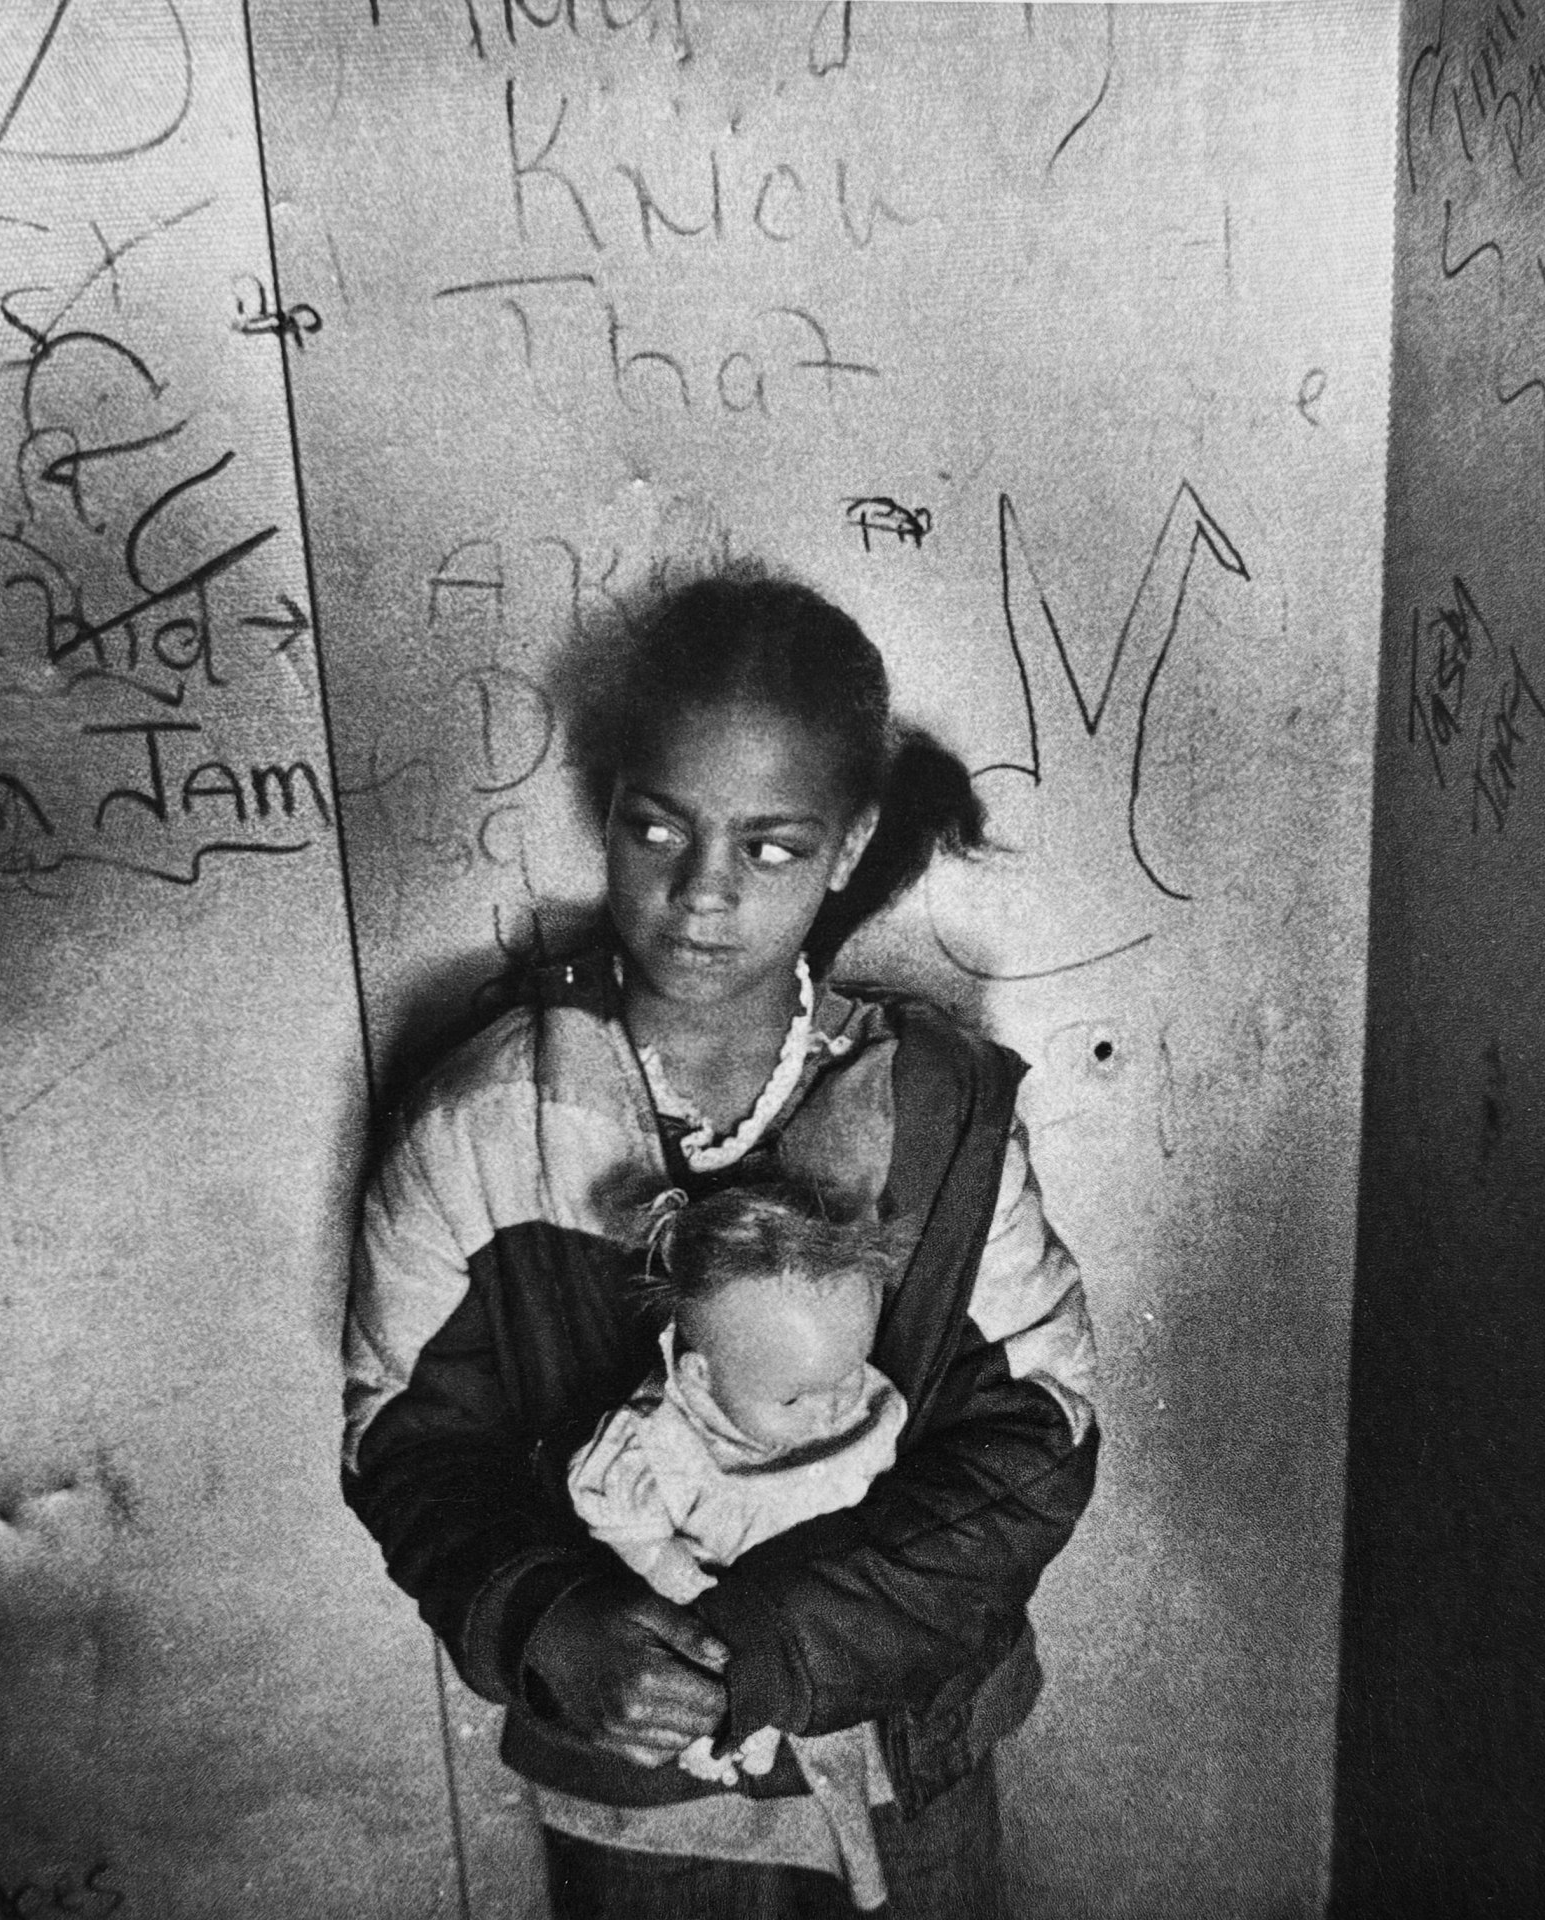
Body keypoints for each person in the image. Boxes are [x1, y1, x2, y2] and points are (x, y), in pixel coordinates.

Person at [341, 570, 1100, 1919]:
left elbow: (1036, 1443)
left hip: (904, 1767)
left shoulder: (937, 1112)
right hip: (636, 1805)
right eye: (657, 831)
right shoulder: (478, 1120)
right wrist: (547, 1620)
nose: (701, 897)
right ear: (611, 808)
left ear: (849, 843)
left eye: (768, 848)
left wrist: (784, 1637)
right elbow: (405, 1445)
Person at [570, 1183, 913, 1907]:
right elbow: (628, 1529)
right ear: (701, 1374)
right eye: (792, 1399)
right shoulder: (656, 1442)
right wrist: (684, 1584)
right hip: (721, 1617)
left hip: (839, 1625)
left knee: (850, 1776)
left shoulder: (856, 1404)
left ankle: (870, 1883)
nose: (831, 1409)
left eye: (848, 1372)